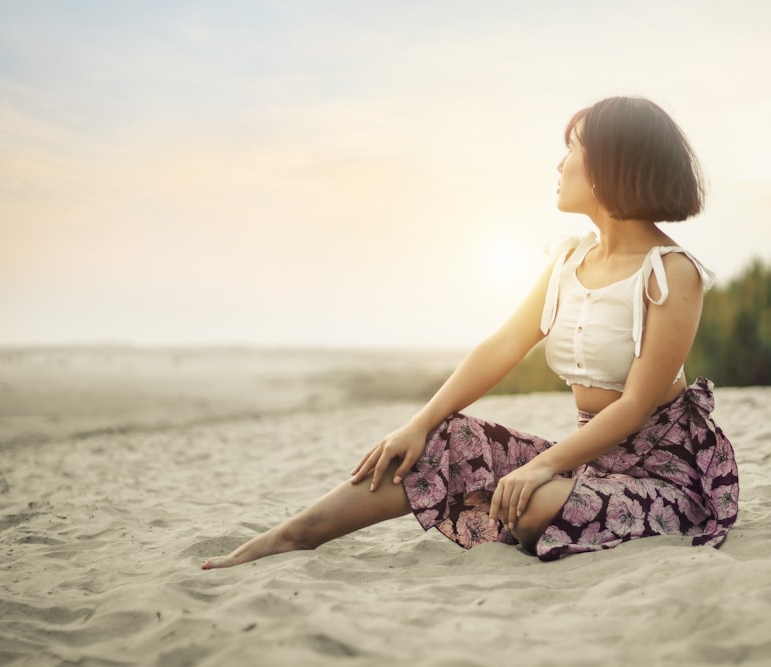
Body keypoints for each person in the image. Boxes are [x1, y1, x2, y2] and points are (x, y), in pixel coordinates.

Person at [201, 96, 739, 569]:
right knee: (441, 440)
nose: (558, 163)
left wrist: (543, 465)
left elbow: (638, 405)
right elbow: (501, 346)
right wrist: (418, 423)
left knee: (533, 508)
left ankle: (533, 501)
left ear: (609, 164)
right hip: (586, 464)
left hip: (664, 480)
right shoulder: (568, 260)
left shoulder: (671, 271)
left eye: (571, 148)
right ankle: (294, 536)